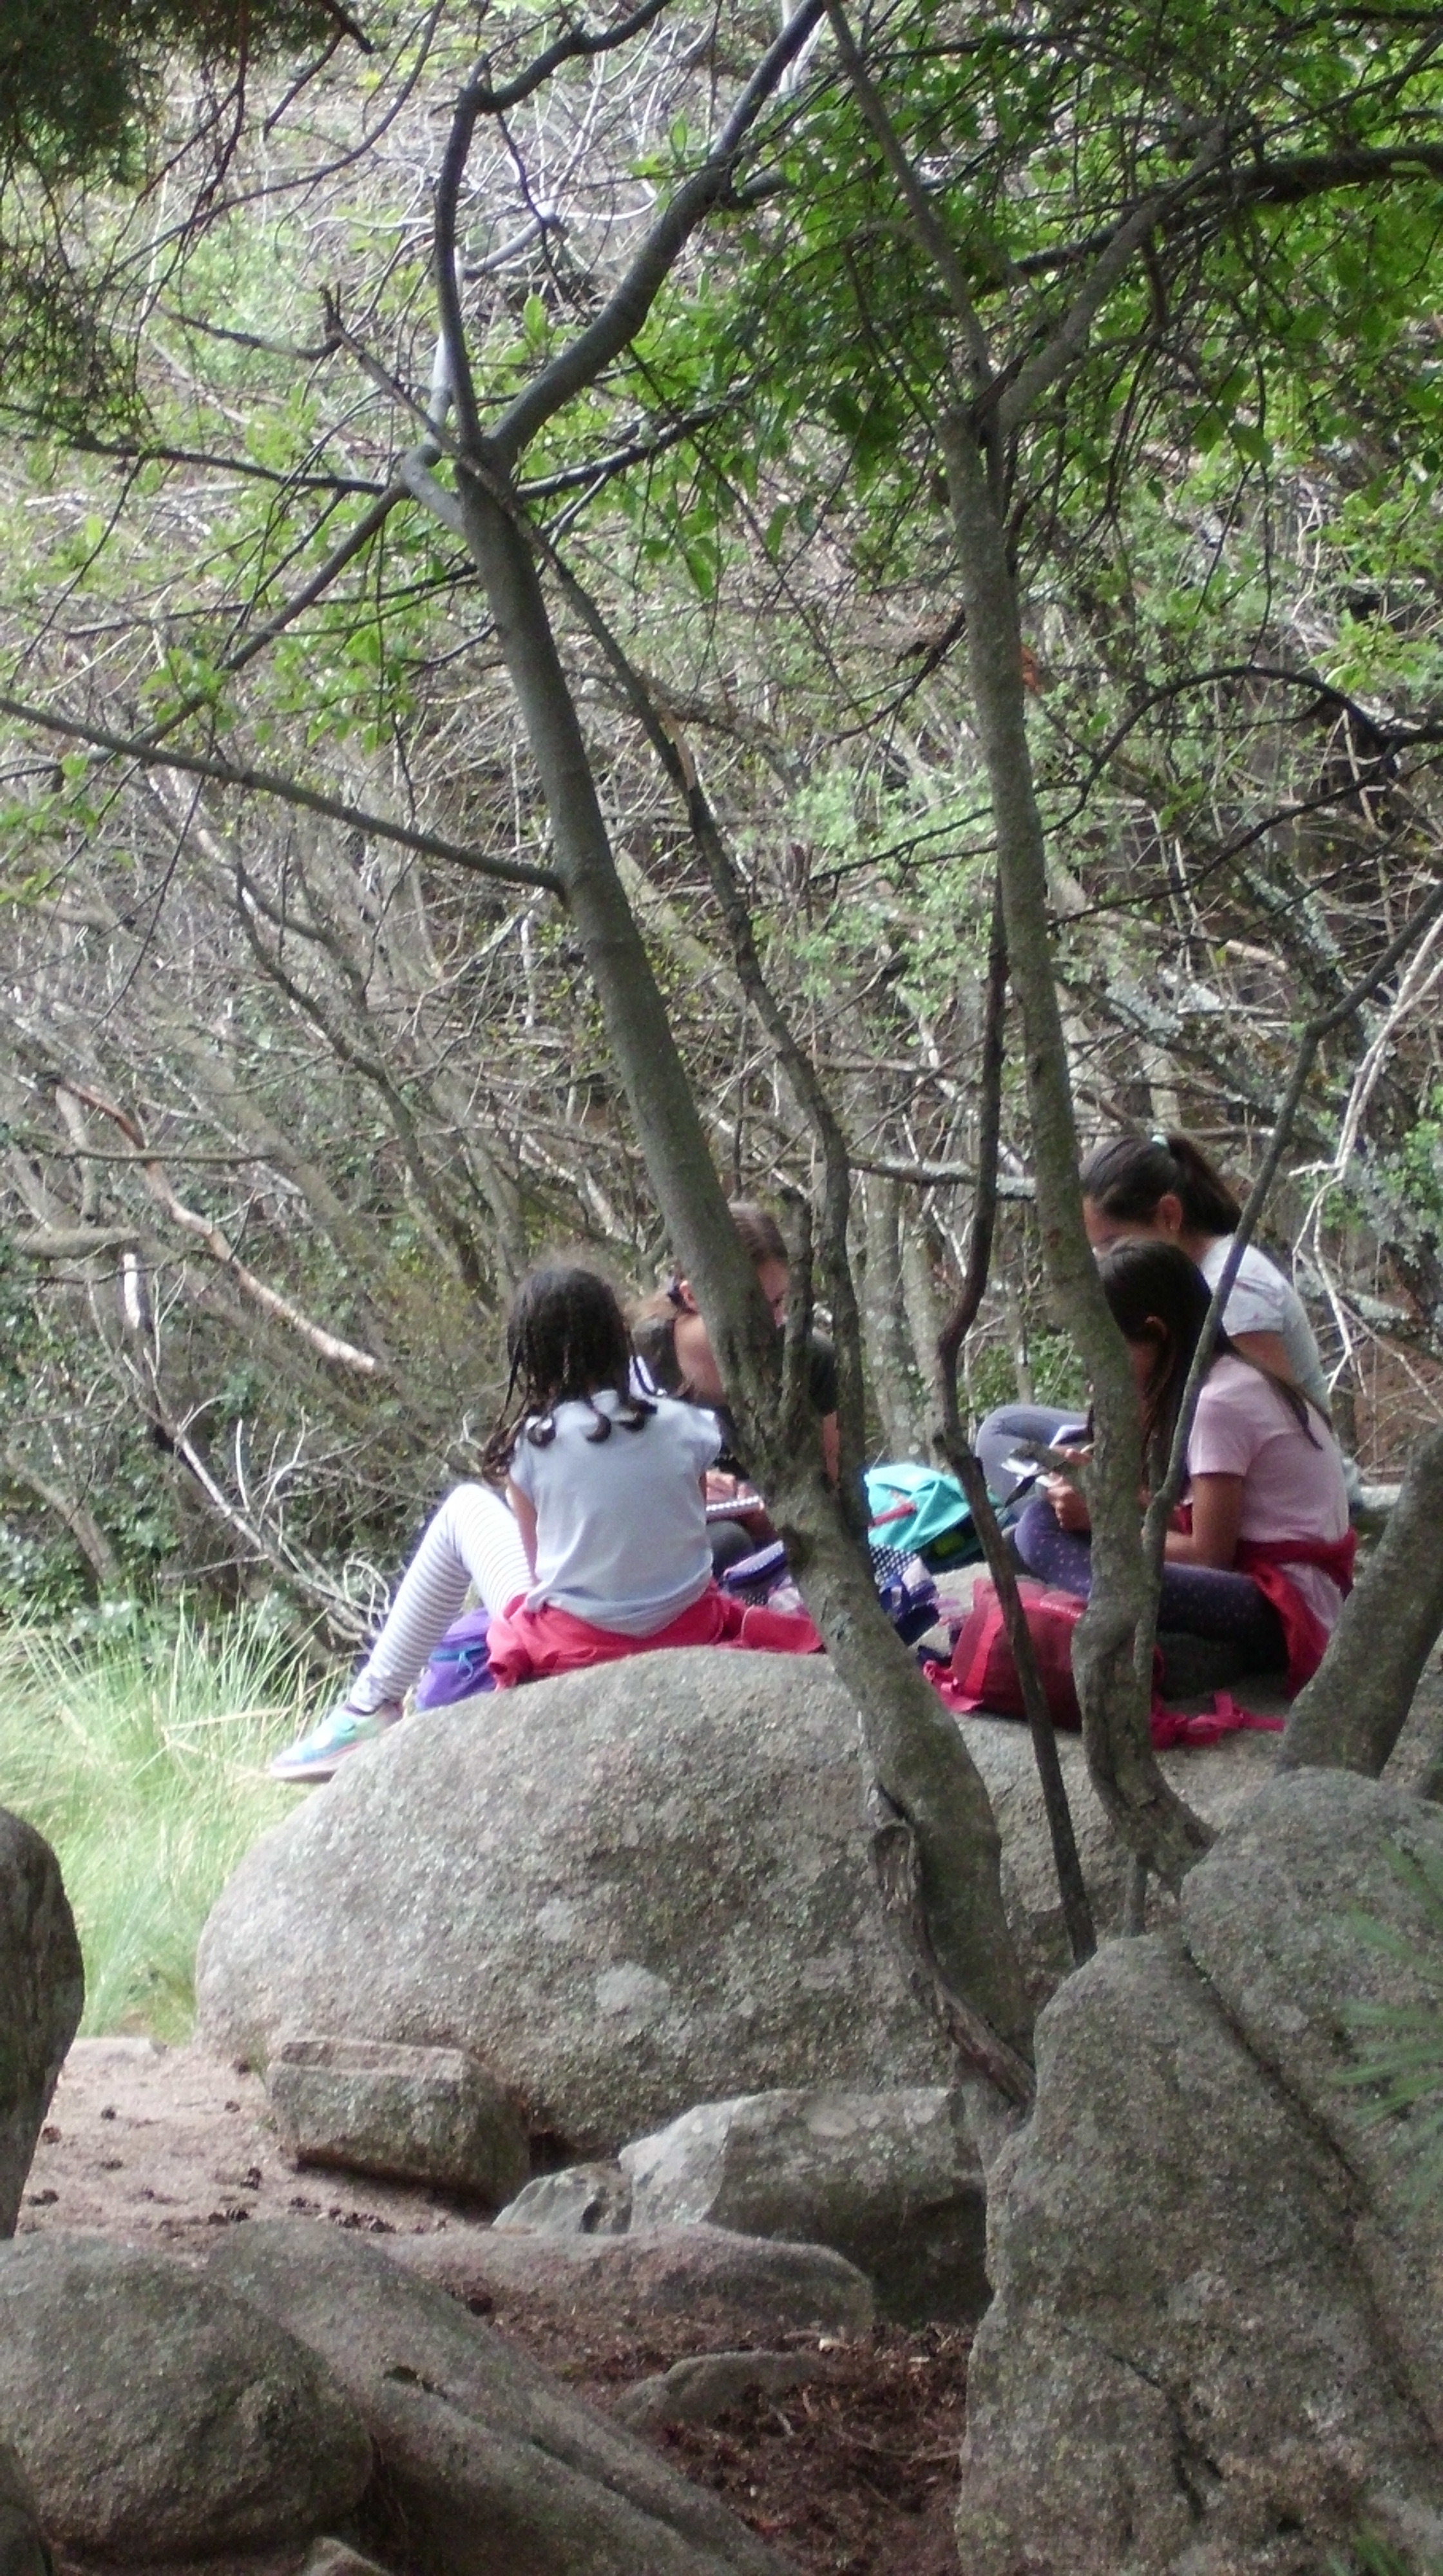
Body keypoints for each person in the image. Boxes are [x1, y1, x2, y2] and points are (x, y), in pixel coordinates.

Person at [270, 1260, 819, 1782]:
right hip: (689, 1623)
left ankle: (370, 1704)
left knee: (464, 1509)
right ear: (618, 1338)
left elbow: (541, 1576)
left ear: (530, 1358)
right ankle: (370, 1705)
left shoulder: (532, 1448)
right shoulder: (686, 1425)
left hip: (580, 1644)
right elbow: (690, 1528)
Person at [1009, 1237, 1353, 1691]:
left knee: (1037, 1533)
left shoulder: (1218, 1403)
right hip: (1267, 1584)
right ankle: (1178, 1641)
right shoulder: (1227, 1378)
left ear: (1156, 1333)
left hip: (1284, 1608)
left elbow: (1210, 1554)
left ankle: (1176, 1647)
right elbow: (1205, 1521)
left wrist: (1104, 1519)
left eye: (1109, 1349)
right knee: (1037, 1525)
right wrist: (1112, 1497)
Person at [973, 1128, 1333, 1506]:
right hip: (1185, 1447)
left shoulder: (1235, 1291)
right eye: (1098, 1250)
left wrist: (1110, 1498)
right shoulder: (1184, 1278)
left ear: (1169, 1216)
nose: (1107, 1261)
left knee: (1037, 1516)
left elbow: (1266, 1437)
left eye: (1113, 1243)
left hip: (1259, 1498)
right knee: (1003, 1428)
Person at [631, 1201, 841, 1570]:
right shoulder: (639, 1360)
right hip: (677, 1535)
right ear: (693, 1296)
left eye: (780, 1302)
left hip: (784, 1532)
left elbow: (832, 1481)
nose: (775, 1321)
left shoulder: (809, 1358)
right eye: (756, 1307)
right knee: (727, 1542)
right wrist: (691, 1482)